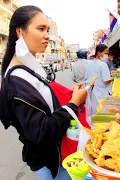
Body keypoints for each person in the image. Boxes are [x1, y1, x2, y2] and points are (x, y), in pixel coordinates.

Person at [0, 6, 88, 179]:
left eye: (48, 29)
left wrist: (68, 95)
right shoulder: (17, 80)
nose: (47, 35)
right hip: (49, 163)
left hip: (61, 154)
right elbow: (41, 131)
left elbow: (46, 104)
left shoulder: (30, 70)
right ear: (20, 32)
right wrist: (73, 104)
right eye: (41, 29)